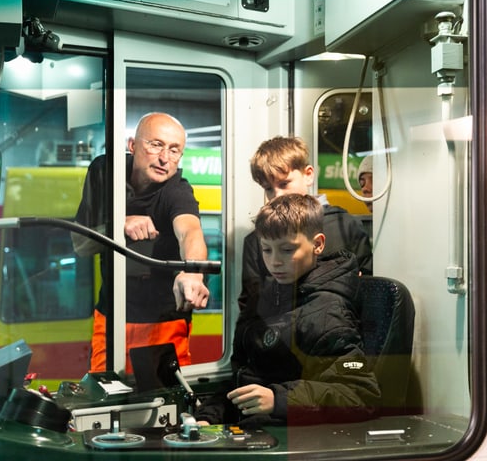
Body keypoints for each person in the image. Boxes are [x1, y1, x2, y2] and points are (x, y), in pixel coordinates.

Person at [195, 193, 380, 426]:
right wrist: (208, 417)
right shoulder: (266, 300)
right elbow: (246, 378)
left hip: (295, 437)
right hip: (256, 424)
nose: (275, 262)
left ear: (318, 244)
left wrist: (279, 399)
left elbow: (360, 395)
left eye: (287, 250)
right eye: (267, 250)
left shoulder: (327, 312)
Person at [72, 112, 210, 373]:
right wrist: (119, 226)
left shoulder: (177, 190)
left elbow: (190, 232)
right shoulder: (104, 172)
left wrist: (193, 272)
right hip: (112, 315)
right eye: (155, 144)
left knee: (165, 402)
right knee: (103, 397)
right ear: (132, 145)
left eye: (174, 150)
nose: (164, 158)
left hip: (164, 319)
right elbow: (80, 245)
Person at [238, 136, 372, 312]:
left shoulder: (345, 226)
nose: (277, 195)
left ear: (308, 175)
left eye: (284, 184)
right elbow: (249, 306)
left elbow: (368, 289)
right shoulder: (257, 239)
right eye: (268, 188)